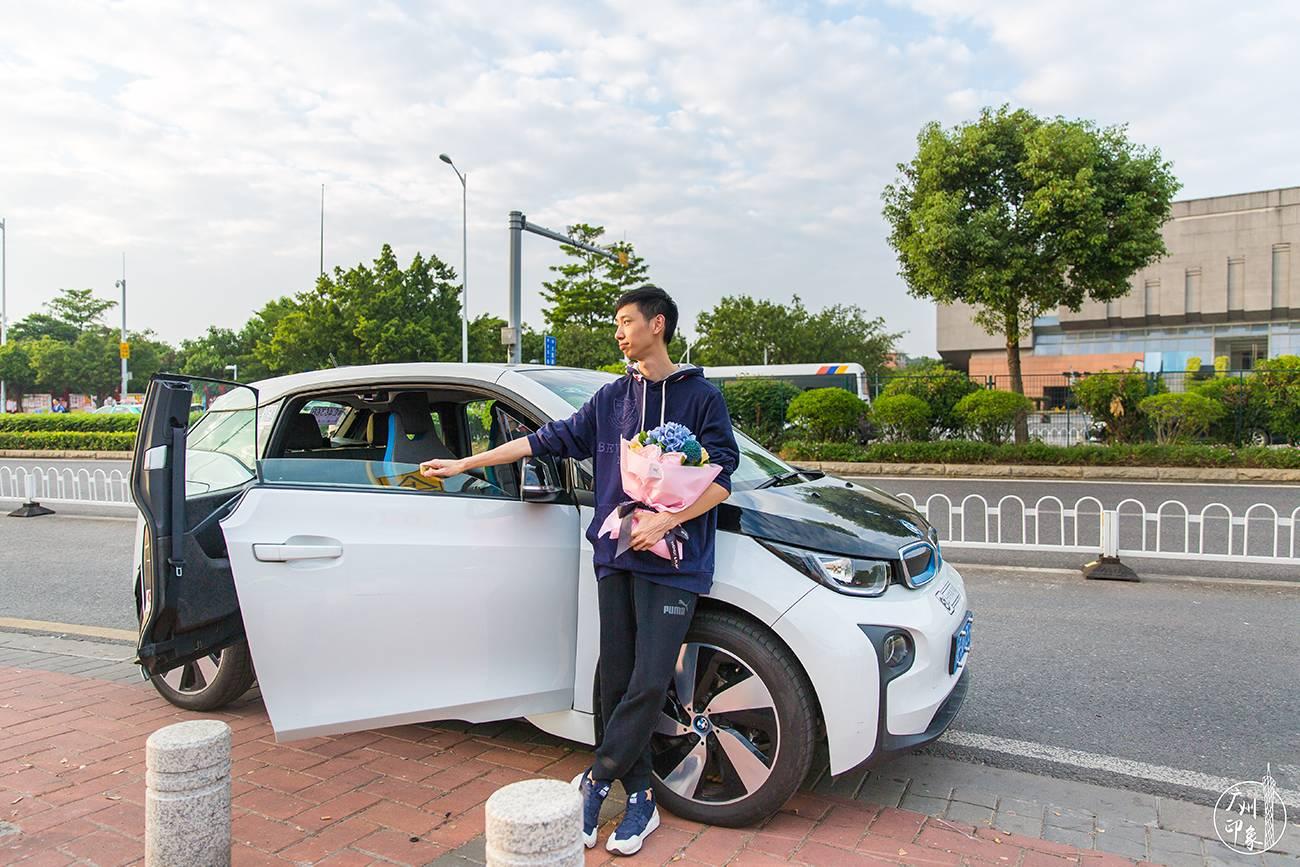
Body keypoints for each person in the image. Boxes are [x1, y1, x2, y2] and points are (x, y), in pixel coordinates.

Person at [421, 285, 739, 855]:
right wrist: (465, 462)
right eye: (615, 323)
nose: (618, 332)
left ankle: (595, 780)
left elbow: (721, 477)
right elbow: (543, 441)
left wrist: (667, 523)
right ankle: (639, 799)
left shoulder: (701, 396)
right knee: (616, 678)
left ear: (658, 324)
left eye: (626, 321)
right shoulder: (612, 398)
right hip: (616, 554)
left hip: (677, 561)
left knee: (649, 679)